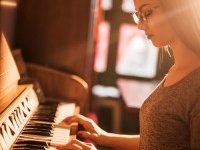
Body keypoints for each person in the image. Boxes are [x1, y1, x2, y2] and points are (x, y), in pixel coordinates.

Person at [57, 0, 200, 149]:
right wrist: (104, 137)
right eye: (138, 15)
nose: (139, 25)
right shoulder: (177, 68)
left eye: (147, 13)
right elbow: (154, 143)